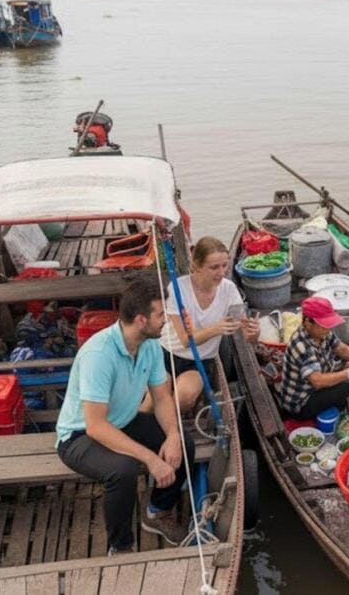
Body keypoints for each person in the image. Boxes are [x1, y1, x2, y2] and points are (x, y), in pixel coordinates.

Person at [56, 278, 196, 555]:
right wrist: (151, 459)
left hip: (123, 420)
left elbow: (161, 398)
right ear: (142, 320)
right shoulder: (99, 355)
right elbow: (96, 427)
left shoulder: (150, 346)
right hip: (79, 436)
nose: (165, 320)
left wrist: (172, 435)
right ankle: (120, 547)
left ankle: (156, 511)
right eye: (160, 315)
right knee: (123, 470)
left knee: (185, 444)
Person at [156, 237, 259, 412]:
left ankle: (169, 427)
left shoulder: (229, 290)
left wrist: (254, 333)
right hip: (166, 353)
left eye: (225, 266)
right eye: (214, 268)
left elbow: (246, 332)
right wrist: (216, 329)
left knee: (183, 397)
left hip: (199, 360)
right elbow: (185, 340)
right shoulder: (177, 289)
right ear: (196, 266)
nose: (222, 273)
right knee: (156, 398)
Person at [276, 296, 349, 419]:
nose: (328, 328)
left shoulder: (322, 333)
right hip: (300, 403)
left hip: (313, 388)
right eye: (324, 325)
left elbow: (343, 350)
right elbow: (318, 381)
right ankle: (334, 415)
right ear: (308, 323)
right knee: (344, 388)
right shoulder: (301, 346)